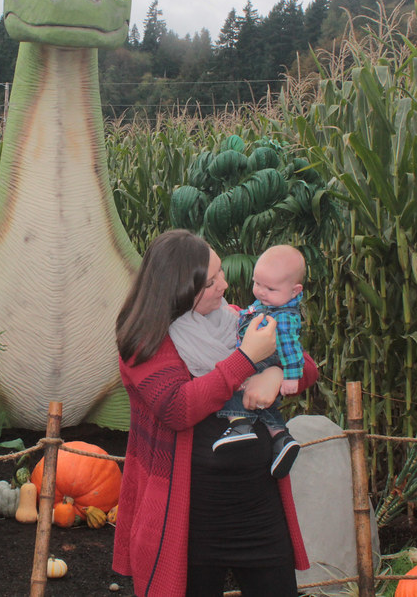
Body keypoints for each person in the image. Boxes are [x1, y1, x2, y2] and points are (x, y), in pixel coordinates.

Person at [112, 229, 314, 597]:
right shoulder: (145, 343)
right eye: (211, 281)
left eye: (220, 272)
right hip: (189, 518)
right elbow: (177, 407)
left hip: (256, 508)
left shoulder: (232, 319)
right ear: (180, 290)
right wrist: (245, 360)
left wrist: (274, 373)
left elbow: (306, 366)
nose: (225, 284)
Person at [212, 245, 307, 480]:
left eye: (270, 288)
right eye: (258, 283)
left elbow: (291, 348)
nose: (261, 292)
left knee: (233, 382)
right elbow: (252, 312)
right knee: (264, 402)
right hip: (263, 357)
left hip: (266, 357)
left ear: (295, 291)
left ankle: (239, 424)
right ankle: (280, 437)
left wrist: (289, 376)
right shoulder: (271, 303)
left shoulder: (283, 317)